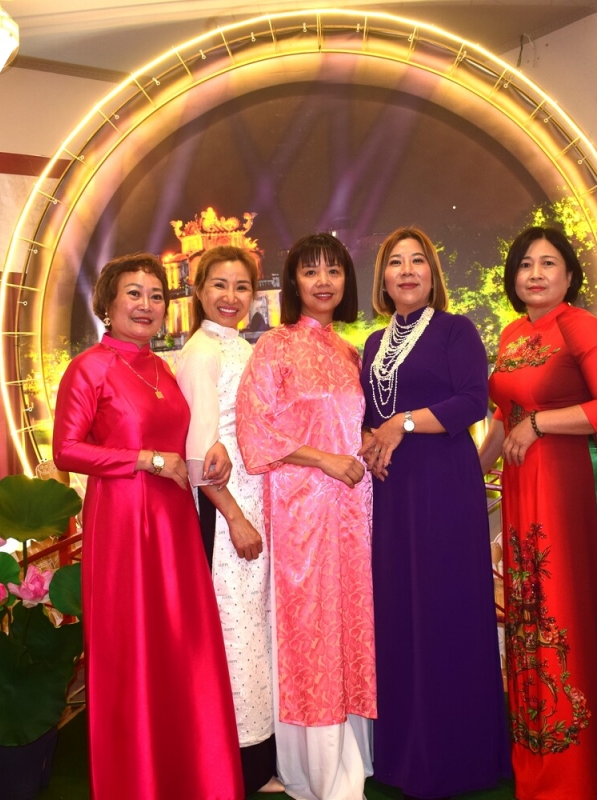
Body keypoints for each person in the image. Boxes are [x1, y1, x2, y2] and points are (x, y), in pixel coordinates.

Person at [52, 252, 243, 800]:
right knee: (132, 648)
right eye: (133, 294)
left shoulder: (163, 367)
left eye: (156, 295)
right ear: (107, 304)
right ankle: (137, 782)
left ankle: (196, 778)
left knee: (182, 646)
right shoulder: (89, 367)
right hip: (122, 522)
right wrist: (144, 460)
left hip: (174, 519)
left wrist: (212, 451)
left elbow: (186, 438)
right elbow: (67, 449)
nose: (147, 305)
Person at [358, 227, 510, 800]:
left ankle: (458, 758)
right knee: (400, 611)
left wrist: (403, 423)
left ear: (432, 273)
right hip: (391, 491)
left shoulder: (455, 329)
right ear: (383, 278)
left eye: (417, 260)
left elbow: (474, 400)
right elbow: (368, 412)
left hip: (444, 485)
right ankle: (403, 755)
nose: (406, 270)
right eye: (395, 262)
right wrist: (371, 436)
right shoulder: (374, 343)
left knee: (447, 608)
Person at [478, 226, 597, 800]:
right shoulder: (513, 333)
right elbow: (504, 415)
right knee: (529, 610)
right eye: (525, 264)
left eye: (548, 263)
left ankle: (578, 773)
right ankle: (538, 759)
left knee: (561, 608)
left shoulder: (581, 326)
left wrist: (539, 424)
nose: (536, 273)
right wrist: (470, 473)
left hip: (564, 481)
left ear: (569, 274)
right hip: (521, 484)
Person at [236, 233, 376, 800]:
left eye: (333, 271)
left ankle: (354, 756)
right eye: (311, 271)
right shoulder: (274, 346)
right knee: (309, 630)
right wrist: (324, 460)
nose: (323, 281)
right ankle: (314, 770)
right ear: (293, 282)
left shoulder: (350, 351)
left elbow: (358, 426)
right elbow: (255, 432)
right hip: (301, 510)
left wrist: (371, 445)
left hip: (353, 510)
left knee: (349, 621)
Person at [172, 245, 282, 795]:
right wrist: (236, 518)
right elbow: (197, 454)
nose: (231, 297)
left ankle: (261, 758)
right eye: (219, 285)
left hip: (254, 503)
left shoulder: (240, 346)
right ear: (198, 291)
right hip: (224, 512)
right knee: (234, 637)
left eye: (242, 287)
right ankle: (237, 766)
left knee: (254, 634)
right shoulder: (201, 353)